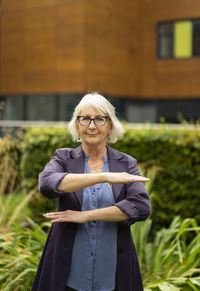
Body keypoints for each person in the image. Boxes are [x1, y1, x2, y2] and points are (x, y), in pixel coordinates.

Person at [32, 93, 151, 291]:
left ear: (110, 126)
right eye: (85, 119)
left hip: (112, 272)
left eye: (100, 119)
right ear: (77, 126)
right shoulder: (64, 158)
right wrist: (103, 177)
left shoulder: (126, 163)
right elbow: (47, 183)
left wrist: (85, 216)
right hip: (69, 273)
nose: (92, 125)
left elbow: (141, 207)